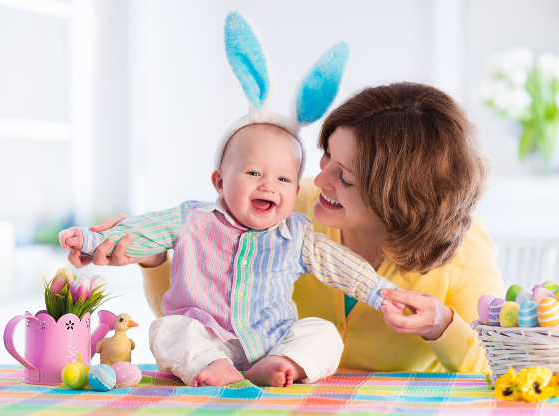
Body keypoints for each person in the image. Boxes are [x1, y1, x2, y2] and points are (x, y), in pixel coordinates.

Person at [69, 82, 505, 374]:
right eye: (326, 156)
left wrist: (441, 326)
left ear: (399, 198)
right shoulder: (282, 204)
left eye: (346, 177)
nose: (321, 180)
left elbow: (503, 370)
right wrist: (154, 257)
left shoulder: (461, 248)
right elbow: (189, 312)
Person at [60, 122, 398, 387]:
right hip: (206, 337)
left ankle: (282, 365)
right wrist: (90, 239)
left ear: (295, 191)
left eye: (283, 178)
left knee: (323, 334)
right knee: (167, 329)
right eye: (253, 173)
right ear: (220, 182)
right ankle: (213, 365)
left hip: (274, 341)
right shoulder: (191, 218)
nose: (268, 185)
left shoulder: (297, 234)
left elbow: (342, 266)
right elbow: (141, 230)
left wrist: (381, 293)